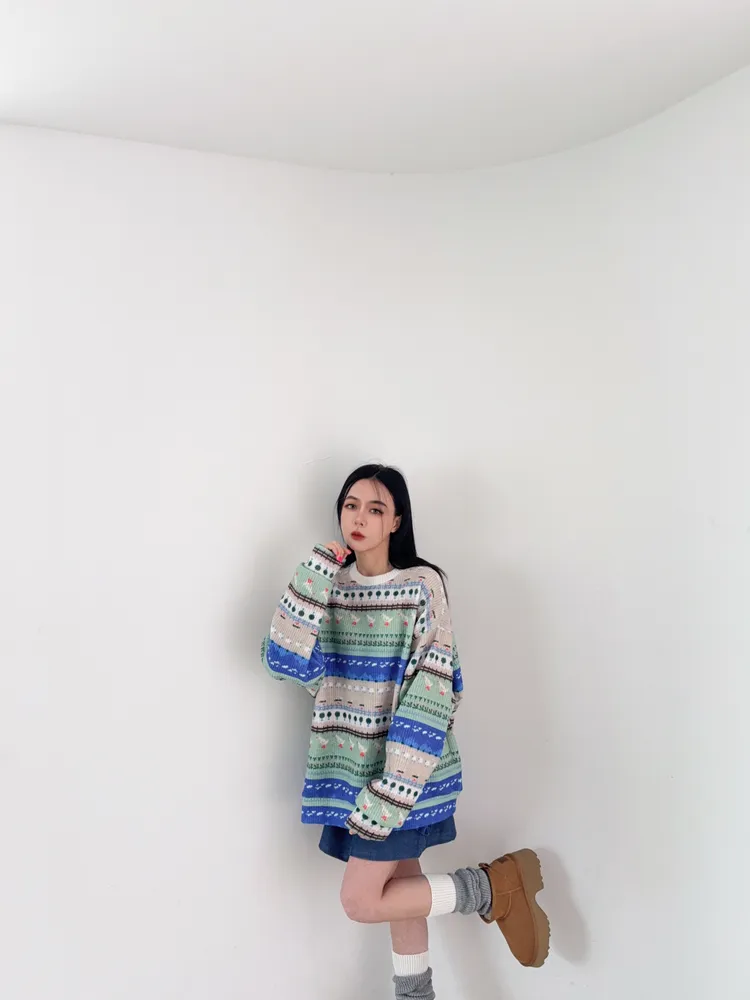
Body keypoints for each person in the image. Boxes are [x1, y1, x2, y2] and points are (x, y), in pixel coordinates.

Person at [261, 464, 550, 999]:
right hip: (351, 776)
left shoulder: (421, 585)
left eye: (376, 509)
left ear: (396, 521)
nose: (360, 518)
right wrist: (315, 571)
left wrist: (393, 791)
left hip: (402, 777)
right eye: (351, 505)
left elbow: (433, 693)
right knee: (401, 891)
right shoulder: (328, 587)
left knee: (360, 901)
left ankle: (489, 888)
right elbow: (284, 661)